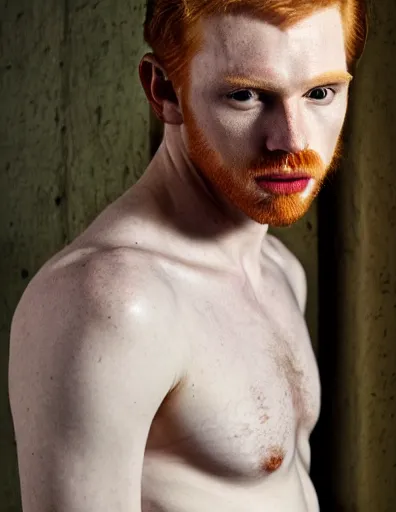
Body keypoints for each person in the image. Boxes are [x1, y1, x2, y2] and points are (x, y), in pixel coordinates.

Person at [8, 0, 366, 510]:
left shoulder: (279, 270)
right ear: (164, 91)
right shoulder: (113, 304)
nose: (291, 139)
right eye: (245, 95)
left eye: (320, 93)